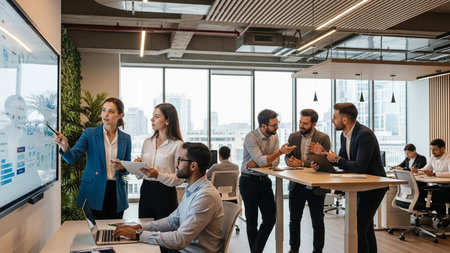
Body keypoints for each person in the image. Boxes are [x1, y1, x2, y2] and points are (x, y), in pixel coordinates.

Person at [113, 142, 224, 253]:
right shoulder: (192, 189)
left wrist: (138, 235)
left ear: (193, 166)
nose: (176, 165)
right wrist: (139, 227)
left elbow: (180, 239)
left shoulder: (205, 196)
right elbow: (172, 221)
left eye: (180, 160)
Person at [310, 102, 386, 253]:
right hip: (360, 186)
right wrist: (323, 159)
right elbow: (343, 161)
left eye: (334, 117)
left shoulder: (364, 135)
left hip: (373, 187)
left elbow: (359, 166)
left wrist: (336, 159)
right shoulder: (344, 135)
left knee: (358, 229)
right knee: (366, 228)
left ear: (345, 120)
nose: (332, 120)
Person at [55, 97, 131, 219]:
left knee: (113, 232)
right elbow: (72, 157)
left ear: (120, 115)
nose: (105, 114)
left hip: (116, 192)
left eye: (111, 111)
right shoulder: (89, 133)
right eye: (103, 110)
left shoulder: (126, 138)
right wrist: (65, 146)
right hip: (94, 189)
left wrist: (122, 167)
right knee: (95, 233)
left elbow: (127, 167)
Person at [239, 109, 296, 253]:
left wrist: (261, 162)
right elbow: (270, 157)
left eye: (277, 124)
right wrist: (279, 153)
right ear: (263, 126)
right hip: (248, 181)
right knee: (252, 222)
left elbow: (275, 162)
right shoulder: (251, 138)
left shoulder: (274, 136)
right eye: (274, 125)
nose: (277, 127)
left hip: (264, 181)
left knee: (270, 219)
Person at [285, 109, 331, 253]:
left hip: (316, 185)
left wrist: (302, 163)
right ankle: (294, 249)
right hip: (297, 183)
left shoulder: (323, 138)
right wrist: (290, 161)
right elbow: (287, 157)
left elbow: (323, 162)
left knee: (317, 221)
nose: (301, 125)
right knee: (294, 220)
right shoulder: (293, 136)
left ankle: (317, 251)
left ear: (314, 124)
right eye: (300, 122)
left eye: (305, 123)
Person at [135, 103, 184, 221]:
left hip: (165, 193)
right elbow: (141, 175)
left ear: (167, 121)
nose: (152, 119)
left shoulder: (178, 145)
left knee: (165, 232)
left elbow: (180, 178)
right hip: (145, 190)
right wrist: (137, 166)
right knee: (144, 229)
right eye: (153, 116)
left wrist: (158, 175)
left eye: (156, 116)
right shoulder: (147, 142)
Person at [412, 139, 450, 217]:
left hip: (448, 187)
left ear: (442, 149)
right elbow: (426, 169)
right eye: (431, 150)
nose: (432, 152)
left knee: (437, 196)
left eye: (435, 150)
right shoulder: (433, 157)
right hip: (440, 186)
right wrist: (417, 171)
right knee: (419, 191)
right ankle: (425, 214)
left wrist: (434, 174)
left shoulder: (448, 157)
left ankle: (442, 216)